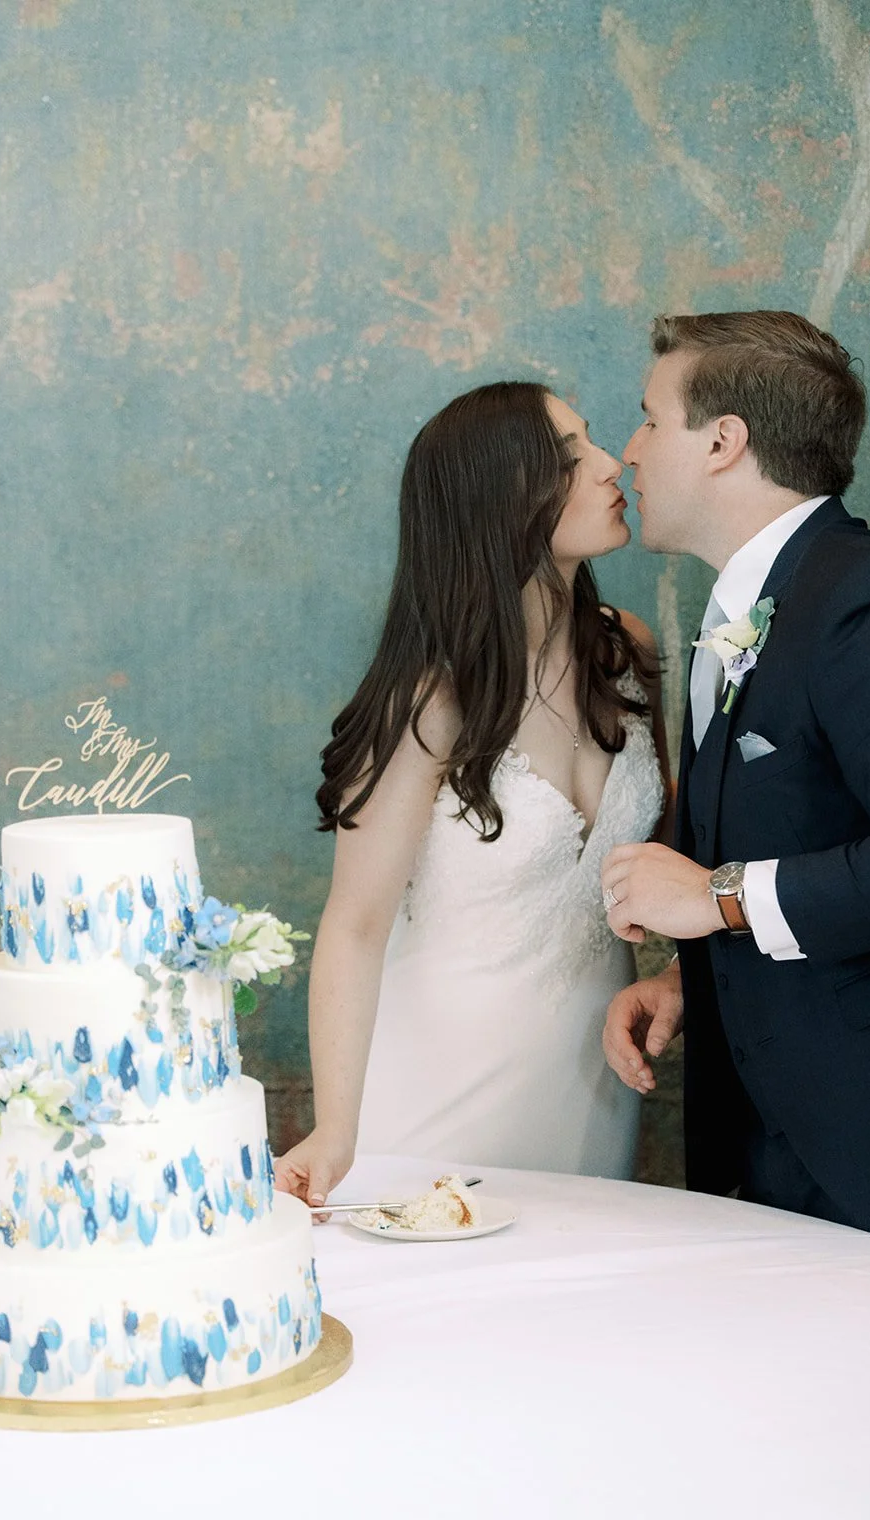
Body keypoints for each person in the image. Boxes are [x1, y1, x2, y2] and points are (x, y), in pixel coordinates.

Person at [601, 309, 870, 1289]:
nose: (630, 451)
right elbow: (812, 826)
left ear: (722, 440)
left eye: (649, 419)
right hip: (782, 1158)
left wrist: (716, 899)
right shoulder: (748, 606)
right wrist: (690, 984)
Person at [275, 381, 669, 1208]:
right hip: (439, 1098)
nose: (610, 465)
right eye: (571, 459)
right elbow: (353, 926)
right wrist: (335, 1127)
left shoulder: (626, 650)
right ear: (502, 501)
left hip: (593, 1086)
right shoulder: (428, 701)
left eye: (593, 442)